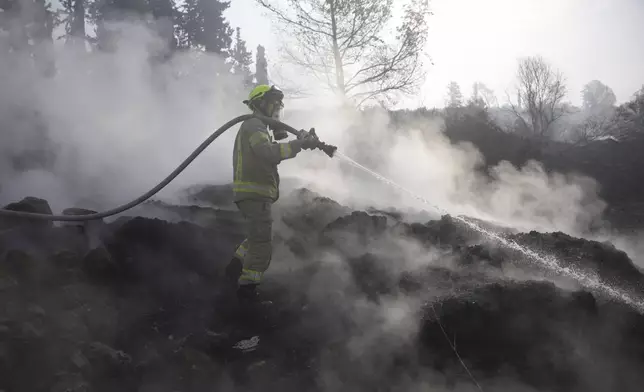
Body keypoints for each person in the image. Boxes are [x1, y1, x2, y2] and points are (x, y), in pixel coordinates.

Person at [225, 84, 319, 308]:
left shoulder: (257, 128)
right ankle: (246, 294)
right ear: (259, 104)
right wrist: (298, 144)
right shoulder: (255, 125)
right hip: (254, 195)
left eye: (279, 105)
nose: (277, 109)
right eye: (273, 104)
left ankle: (233, 270)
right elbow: (268, 153)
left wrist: (300, 142)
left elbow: (267, 149)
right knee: (262, 244)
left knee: (255, 236)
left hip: (253, 195)